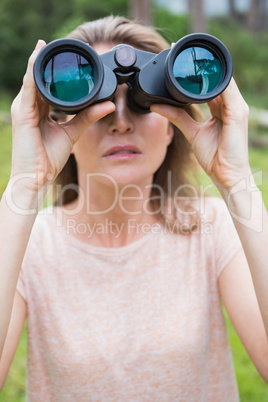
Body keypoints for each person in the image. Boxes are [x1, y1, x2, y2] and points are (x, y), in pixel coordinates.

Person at [0, 15, 268, 401]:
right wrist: (25, 184)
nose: (121, 122)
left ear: (173, 122)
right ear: (59, 122)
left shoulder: (210, 228)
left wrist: (238, 181)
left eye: (143, 105)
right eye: (100, 104)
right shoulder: (29, 244)